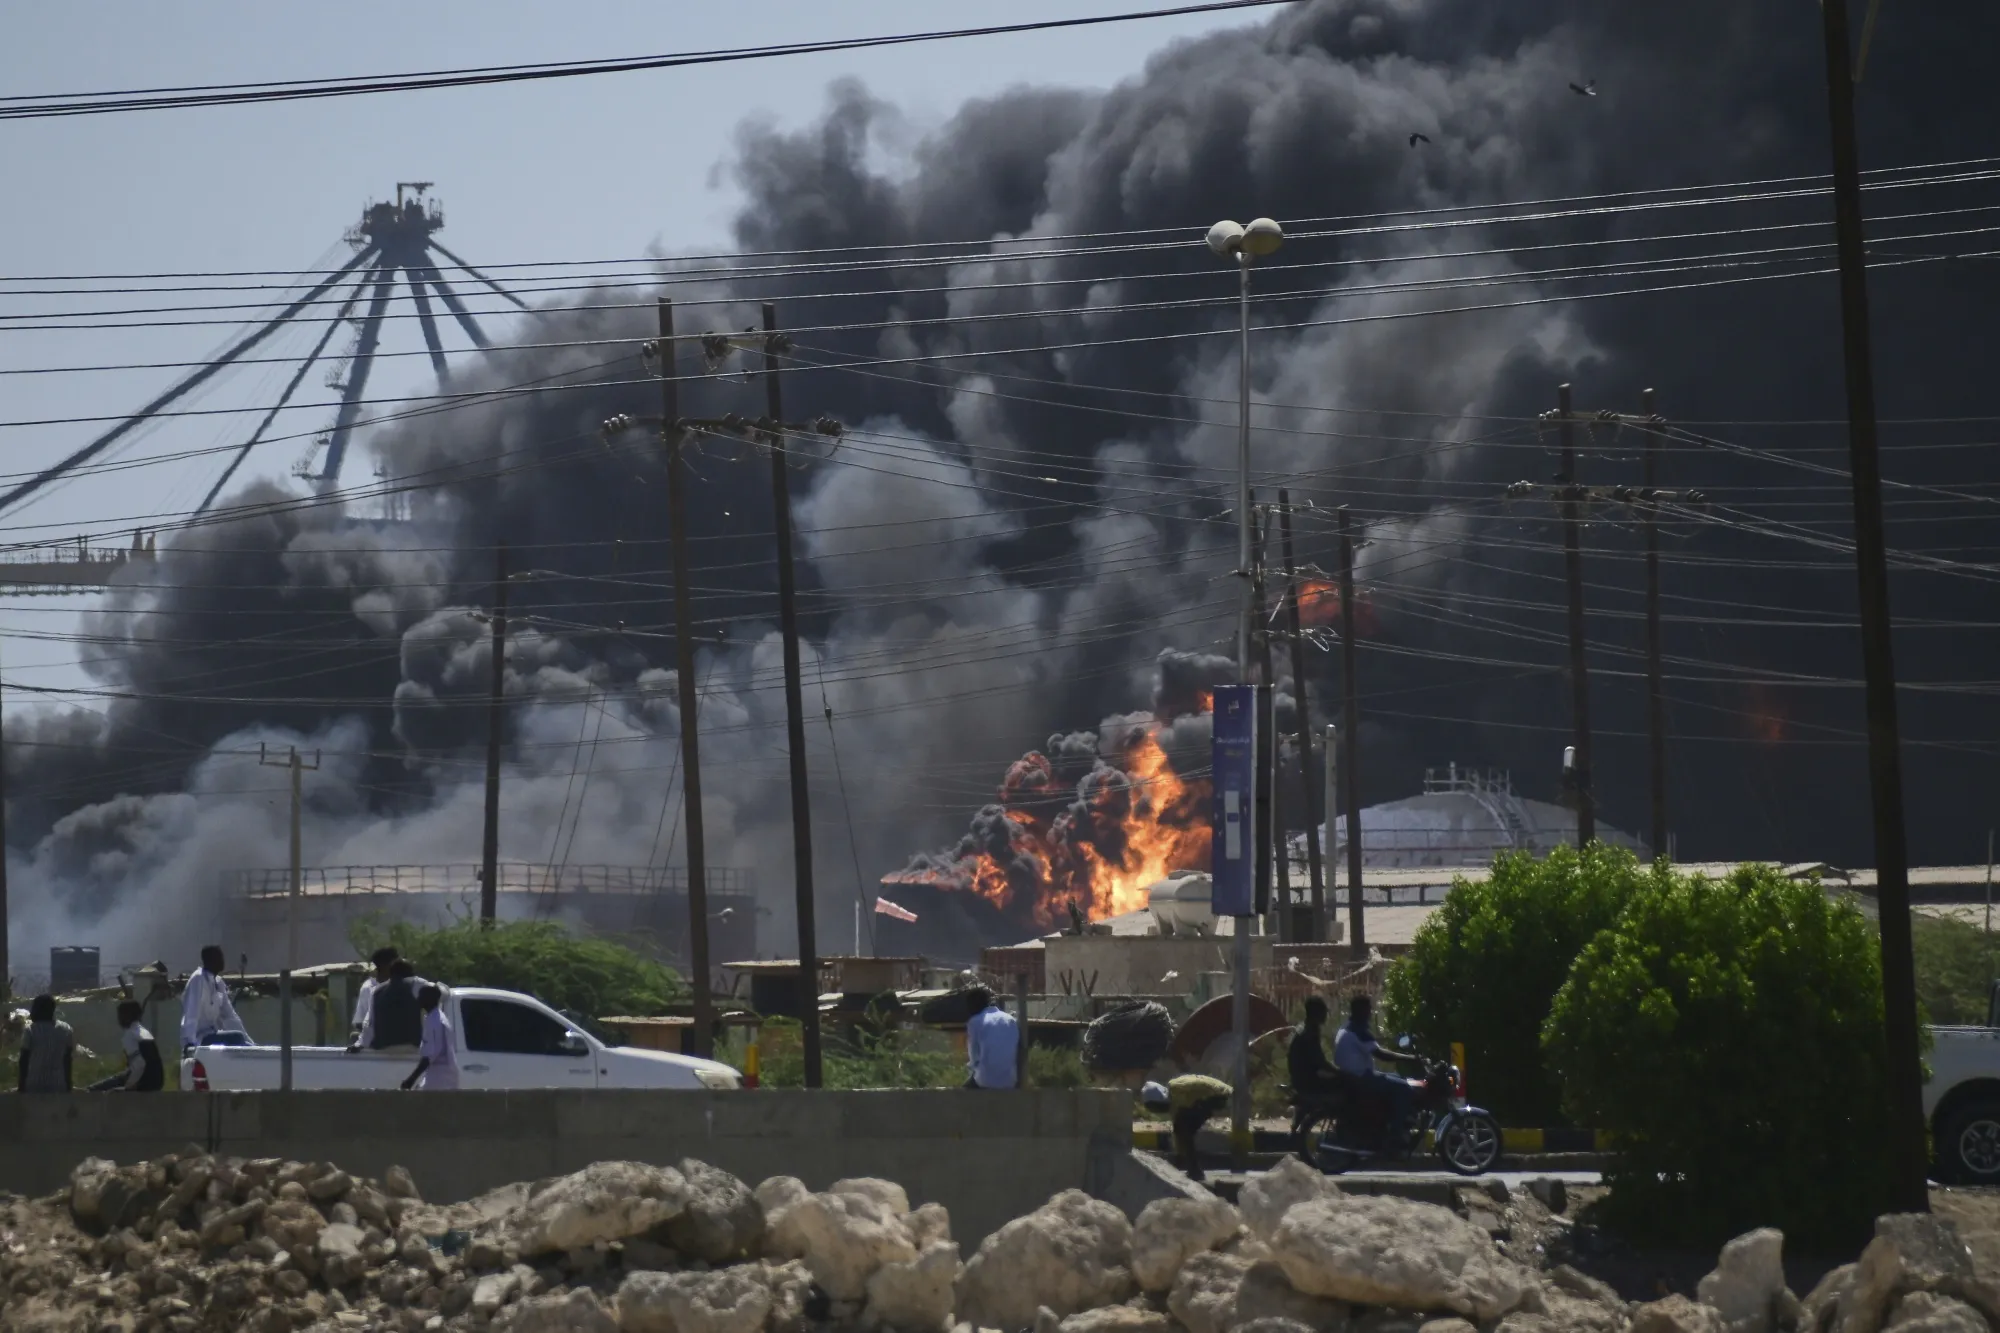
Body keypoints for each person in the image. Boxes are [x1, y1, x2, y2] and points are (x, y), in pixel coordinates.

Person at [1331, 995, 1421, 1142]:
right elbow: (1381, 1054)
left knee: (1398, 1078)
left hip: (1351, 1076)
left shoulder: (1346, 1027)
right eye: (1368, 1009)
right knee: (1405, 1088)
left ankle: (1389, 1122)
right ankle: (1396, 1133)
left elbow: (1370, 1046)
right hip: (1361, 1079)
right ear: (1361, 1011)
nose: (1370, 1013)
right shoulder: (1359, 1030)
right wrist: (1410, 1058)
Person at [1141, 1074, 1232, 1181]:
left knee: (1185, 1127)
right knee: (1183, 1127)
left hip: (1219, 1095)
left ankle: (1195, 1170)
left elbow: (1201, 1086)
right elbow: (1177, 1129)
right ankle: (1192, 1167)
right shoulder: (1174, 1099)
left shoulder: (1175, 1088)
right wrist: (1179, 1154)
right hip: (1211, 1098)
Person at [180, 946, 247, 1051]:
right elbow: (191, 1013)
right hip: (200, 1039)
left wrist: (248, 1041)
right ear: (209, 960)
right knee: (236, 1038)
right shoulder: (198, 979)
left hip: (212, 1035)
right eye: (219, 957)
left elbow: (230, 1016)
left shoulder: (218, 983)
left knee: (239, 1039)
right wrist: (189, 1043)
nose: (222, 960)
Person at [91, 1001, 165, 1093]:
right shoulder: (144, 1031)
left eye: (120, 1015)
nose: (118, 1019)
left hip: (144, 1083)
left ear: (126, 1016)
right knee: (119, 1077)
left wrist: (129, 1086)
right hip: (157, 1082)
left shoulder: (130, 1035)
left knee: (93, 1091)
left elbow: (139, 1064)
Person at [962, 985, 1020, 1090]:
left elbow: (973, 1057)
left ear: (973, 1005)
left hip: (985, 1081)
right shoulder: (1010, 1019)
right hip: (1010, 1080)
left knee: (963, 1093)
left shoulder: (975, 1021)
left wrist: (971, 1072)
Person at [401, 985, 458, 1091]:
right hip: (438, 1075)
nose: (418, 999)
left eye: (421, 996)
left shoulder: (435, 1021)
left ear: (430, 999)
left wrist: (411, 1079)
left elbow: (429, 1055)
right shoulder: (434, 1017)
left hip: (440, 1078)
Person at [17, 994, 76, 1094]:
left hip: (34, 1085)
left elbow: (24, 1061)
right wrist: (68, 1085)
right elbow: (67, 1060)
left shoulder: (30, 1030)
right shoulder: (66, 1029)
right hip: (58, 1085)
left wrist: (21, 1086)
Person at [362, 959, 425, 1052]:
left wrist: (364, 1046)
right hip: (410, 1047)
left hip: (384, 1048)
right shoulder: (416, 985)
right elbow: (442, 994)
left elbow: (369, 1025)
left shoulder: (377, 992)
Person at [1287, 995, 1343, 1097]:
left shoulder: (1305, 1028)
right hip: (1308, 1082)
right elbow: (1320, 1062)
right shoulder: (1310, 1033)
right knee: (1347, 1084)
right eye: (1324, 1012)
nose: (1326, 1015)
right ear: (1317, 1013)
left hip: (1300, 1079)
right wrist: (1341, 1072)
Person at [347, 947, 400, 1049]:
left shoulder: (400, 985)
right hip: (375, 1046)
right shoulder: (369, 988)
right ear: (386, 966)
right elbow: (360, 1022)